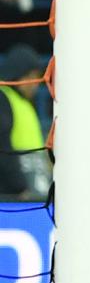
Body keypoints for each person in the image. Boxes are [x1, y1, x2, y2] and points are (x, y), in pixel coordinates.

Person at [0, 44, 48, 198]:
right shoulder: (3, 99)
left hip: (32, 183)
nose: (35, 83)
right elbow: (3, 146)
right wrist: (19, 187)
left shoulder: (23, 103)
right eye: (32, 76)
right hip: (16, 193)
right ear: (18, 74)